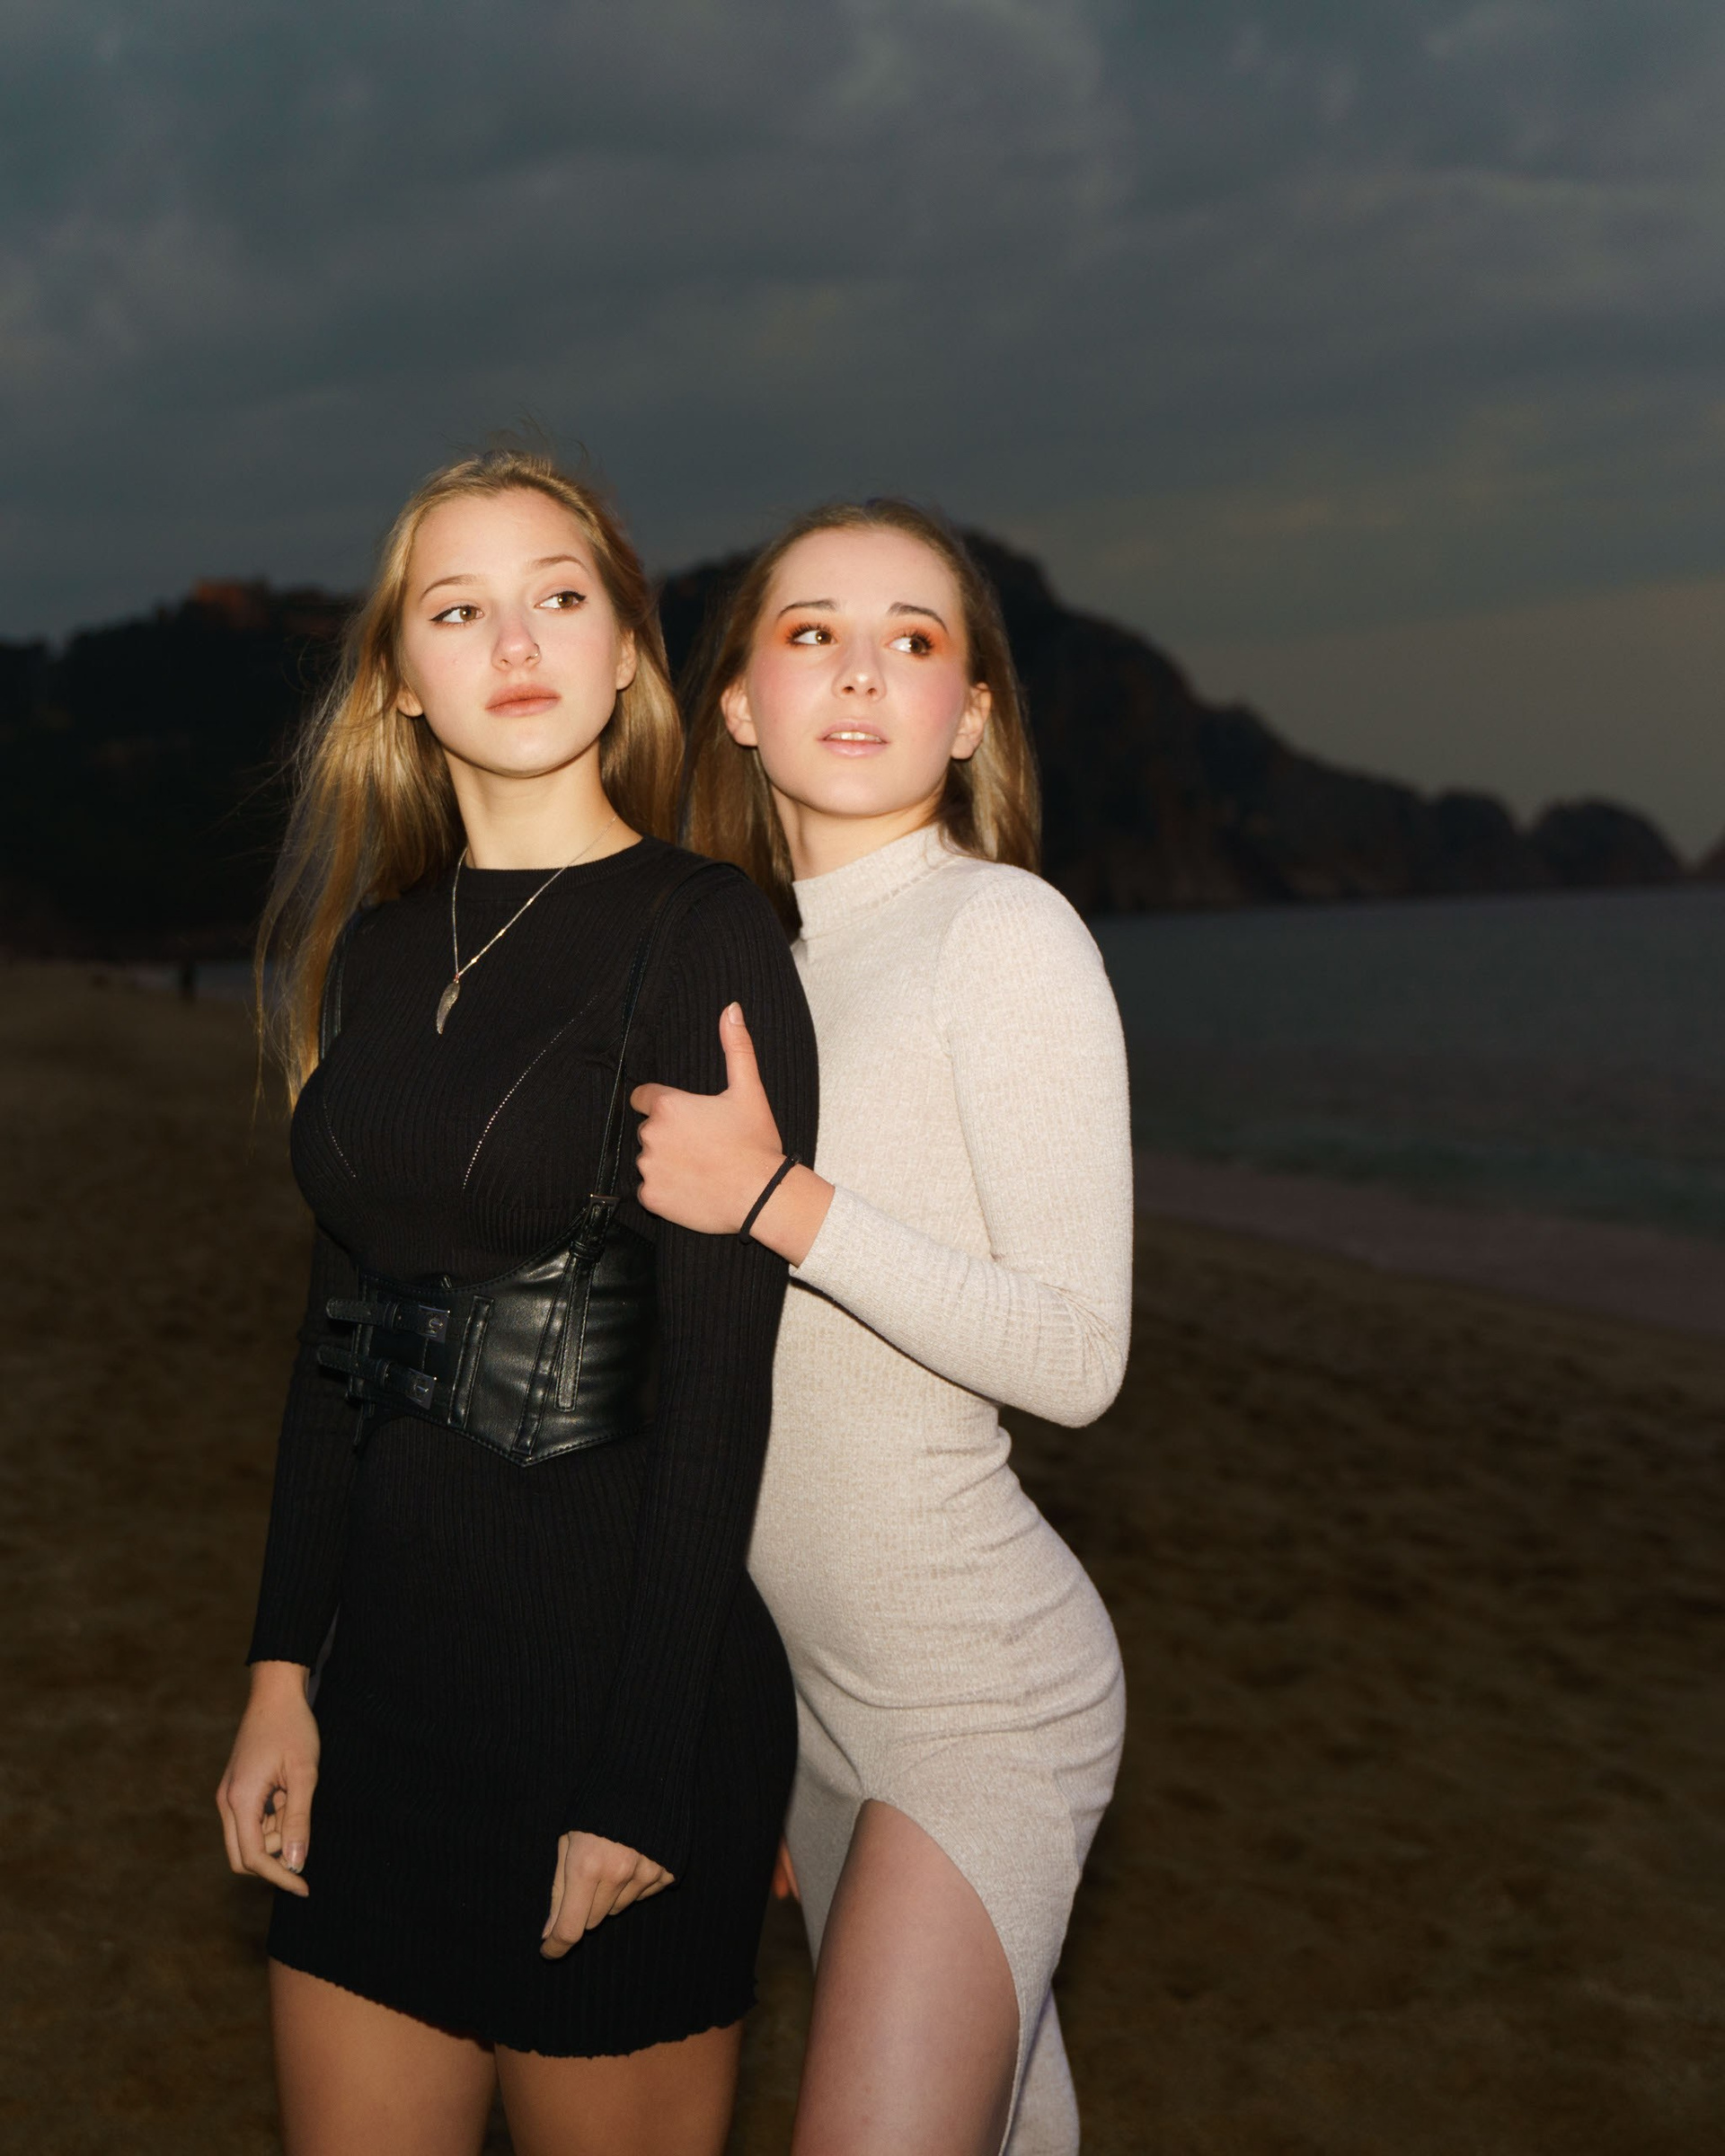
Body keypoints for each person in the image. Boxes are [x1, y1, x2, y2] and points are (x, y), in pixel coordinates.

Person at [216, 450, 818, 2156]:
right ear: (402, 682)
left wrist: (641, 1779)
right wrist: (279, 1674)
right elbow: (334, 1349)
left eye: (560, 596)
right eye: (458, 609)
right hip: (386, 1704)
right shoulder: (376, 949)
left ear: (627, 649)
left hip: (616, 1699)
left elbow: (723, 1395)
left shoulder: (706, 934)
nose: (517, 641)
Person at [630, 499, 1131, 2156]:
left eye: (912, 640)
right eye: (812, 634)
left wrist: (779, 1199)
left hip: (975, 1690)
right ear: (736, 700)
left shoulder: (1003, 932)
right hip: (810, 1704)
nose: (860, 672)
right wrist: (747, 1724)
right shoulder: (740, 963)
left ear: (970, 715)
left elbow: (1078, 1355)